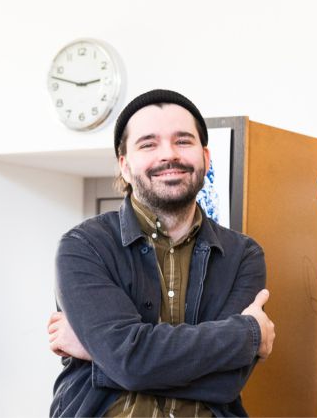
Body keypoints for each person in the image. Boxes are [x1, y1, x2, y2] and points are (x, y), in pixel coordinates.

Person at [47, 89, 275, 417]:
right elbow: (129, 363)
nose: (169, 154)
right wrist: (248, 334)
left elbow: (225, 383)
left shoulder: (243, 255)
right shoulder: (85, 245)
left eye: (183, 141)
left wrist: (102, 355)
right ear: (125, 166)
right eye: (148, 144)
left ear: (205, 157)